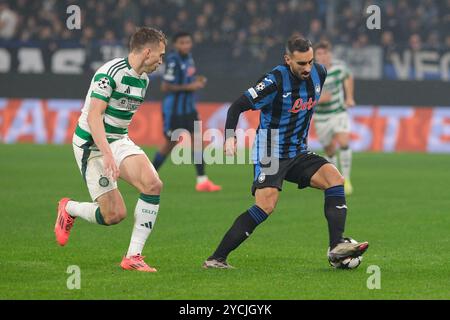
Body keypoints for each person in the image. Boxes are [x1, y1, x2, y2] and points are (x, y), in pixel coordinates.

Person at [203, 36, 368, 269]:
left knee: (335, 179)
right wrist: (230, 139)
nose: (308, 68)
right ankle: (216, 258)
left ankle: (336, 247)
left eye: (310, 62)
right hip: (269, 149)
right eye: (301, 64)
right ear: (288, 59)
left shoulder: (320, 73)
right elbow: (237, 106)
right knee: (266, 206)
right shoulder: (274, 81)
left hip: (298, 151)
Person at [54, 27, 167, 273]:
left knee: (153, 184)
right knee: (114, 215)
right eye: (160, 54)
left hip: (117, 140)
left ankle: (133, 256)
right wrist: (107, 155)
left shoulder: (143, 80)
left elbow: (117, 125)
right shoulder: (109, 73)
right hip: (91, 144)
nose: (161, 60)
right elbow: (95, 117)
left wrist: (115, 150)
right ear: (147, 52)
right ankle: (69, 208)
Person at [152, 32, 221, 192]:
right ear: (176, 45)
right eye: (182, 43)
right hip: (175, 110)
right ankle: (149, 175)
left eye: (188, 42)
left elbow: (185, 78)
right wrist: (189, 87)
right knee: (169, 144)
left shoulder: (189, 59)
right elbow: (165, 86)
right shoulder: (173, 60)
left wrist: (196, 80)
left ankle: (202, 181)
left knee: (197, 141)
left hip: (189, 109)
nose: (186, 45)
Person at [314, 41, 355, 195]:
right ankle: (335, 179)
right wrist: (320, 99)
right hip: (321, 117)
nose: (323, 57)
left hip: (338, 112)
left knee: (344, 142)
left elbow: (349, 76)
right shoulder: (311, 72)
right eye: (319, 54)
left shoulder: (339, 67)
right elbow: (306, 96)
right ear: (315, 56)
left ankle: (347, 180)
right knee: (330, 151)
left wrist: (349, 97)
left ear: (329, 54)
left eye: (325, 53)